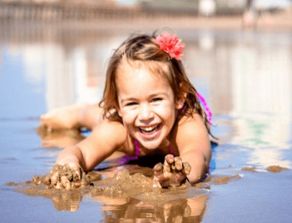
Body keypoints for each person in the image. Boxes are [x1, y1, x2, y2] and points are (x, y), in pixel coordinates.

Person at [40, 31, 213, 188]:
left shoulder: (187, 124)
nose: (145, 115)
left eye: (156, 100)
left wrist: (182, 173)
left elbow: (198, 156)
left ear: (179, 97)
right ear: (117, 105)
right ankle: (78, 112)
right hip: (111, 118)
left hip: (136, 120)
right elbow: (80, 152)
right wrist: (69, 163)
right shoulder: (118, 129)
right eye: (132, 103)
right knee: (94, 117)